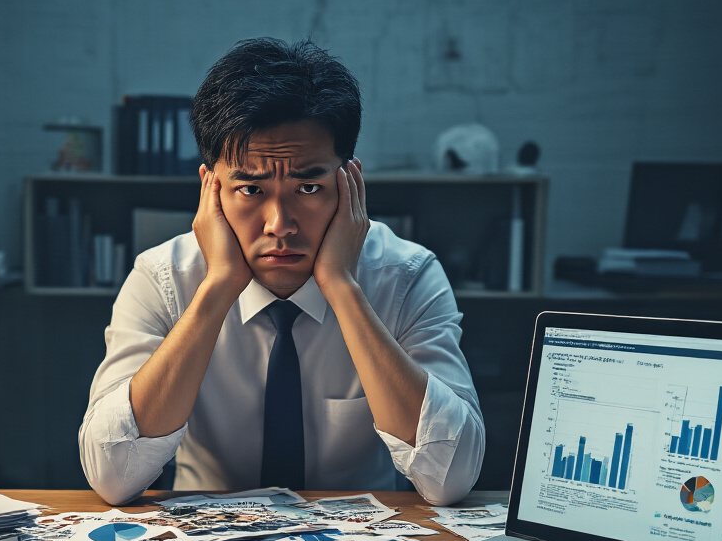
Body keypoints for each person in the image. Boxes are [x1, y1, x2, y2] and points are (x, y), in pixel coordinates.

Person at [80, 38, 484, 506]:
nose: (280, 225)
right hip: (209, 532)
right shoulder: (163, 277)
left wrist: (343, 288)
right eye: (250, 190)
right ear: (211, 188)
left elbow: (451, 479)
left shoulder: (407, 275)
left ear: (350, 182)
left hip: (357, 539)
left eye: (308, 188)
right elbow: (112, 476)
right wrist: (218, 286)